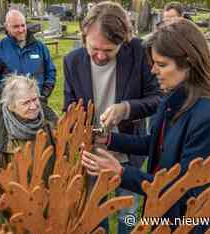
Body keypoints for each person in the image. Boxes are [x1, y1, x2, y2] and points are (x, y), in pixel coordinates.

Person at [81, 19, 210, 233]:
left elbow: (185, 188)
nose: (153, 71)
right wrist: (109, 139)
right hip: (159, 210)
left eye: (161, 64)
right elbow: (156, 143)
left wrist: (121, 173)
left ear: (188, 62)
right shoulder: (172, 99)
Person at [63, 1, 161, 233]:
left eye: (108, 50)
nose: (99, 56)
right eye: (93, 48)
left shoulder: (138, 52)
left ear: (123, 40)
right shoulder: (72, 61)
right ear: (84, 34)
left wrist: (126, 108)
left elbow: (156, 98)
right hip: (92, 153)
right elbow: (69, 105)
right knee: (95, 211)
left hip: (128, 153)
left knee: (128, 211)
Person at [0, 75, 56, 223]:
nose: (34, 106)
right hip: (19, 215)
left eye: (35, 99)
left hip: (53, 206)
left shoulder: (50, 118)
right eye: (26, 103)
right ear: (11, 106)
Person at [0, 9, 58, 123]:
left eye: (23, 25)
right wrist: (6, 100)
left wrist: (44, 94)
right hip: (13, 109)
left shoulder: (39, 47)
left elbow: (50, 71)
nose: (21, 30)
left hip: (38, 103)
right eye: (16, 27)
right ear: (7, 27)